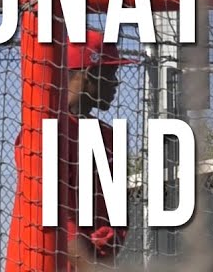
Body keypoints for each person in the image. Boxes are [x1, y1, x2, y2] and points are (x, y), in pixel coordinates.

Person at [62, 30, 135, 269]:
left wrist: (110, 239)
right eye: (111, 73)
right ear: (90, 74)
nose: (116, 83)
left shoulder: (107, 136)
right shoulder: (45, 132)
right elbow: (58, 220)